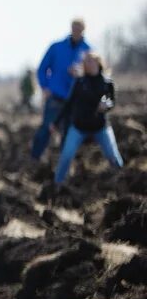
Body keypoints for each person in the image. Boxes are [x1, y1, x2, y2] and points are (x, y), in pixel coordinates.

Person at [53, 52, 120, 184]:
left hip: (100, 127)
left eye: (91, 61)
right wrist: (55, 123)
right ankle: (57, 184)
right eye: (86, 62)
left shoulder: (107, 83)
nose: (88, 64)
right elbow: (69, 103)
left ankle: (122, 179)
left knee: (113, 156)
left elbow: (111, 102)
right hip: (78, 127)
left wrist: (106, 106)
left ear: (98, 62)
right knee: (66, 156)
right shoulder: (80, 82)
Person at [32, 19, 90, 161]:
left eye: (79, 29)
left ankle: (64, 164)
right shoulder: (56, 47)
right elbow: (42, 68)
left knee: (69, 132)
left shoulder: (88, 51)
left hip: (75, 100)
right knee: (46, 128)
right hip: (55, 97)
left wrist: (81, 74)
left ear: (83, 30)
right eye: (74, 28)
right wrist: (45, 87)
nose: (76, 31)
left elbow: (93, 75)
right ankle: (34, 159)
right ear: (71, 28)